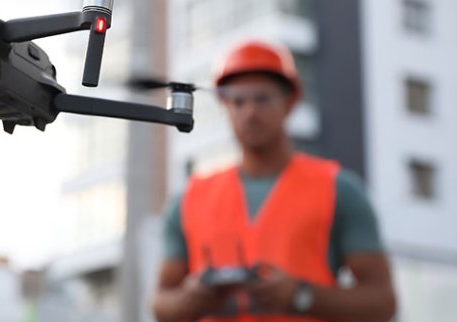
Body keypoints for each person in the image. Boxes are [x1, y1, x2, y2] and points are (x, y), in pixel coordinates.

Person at [152, 41, 396, 322]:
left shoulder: (338, 190)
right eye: (238, 101)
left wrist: (300, 296)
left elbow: (381, 302)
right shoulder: (188, 200)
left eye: (262, 99)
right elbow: (161, 303)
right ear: (225, 106)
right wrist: (192, 299)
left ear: (290, 101)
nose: (250, 112)